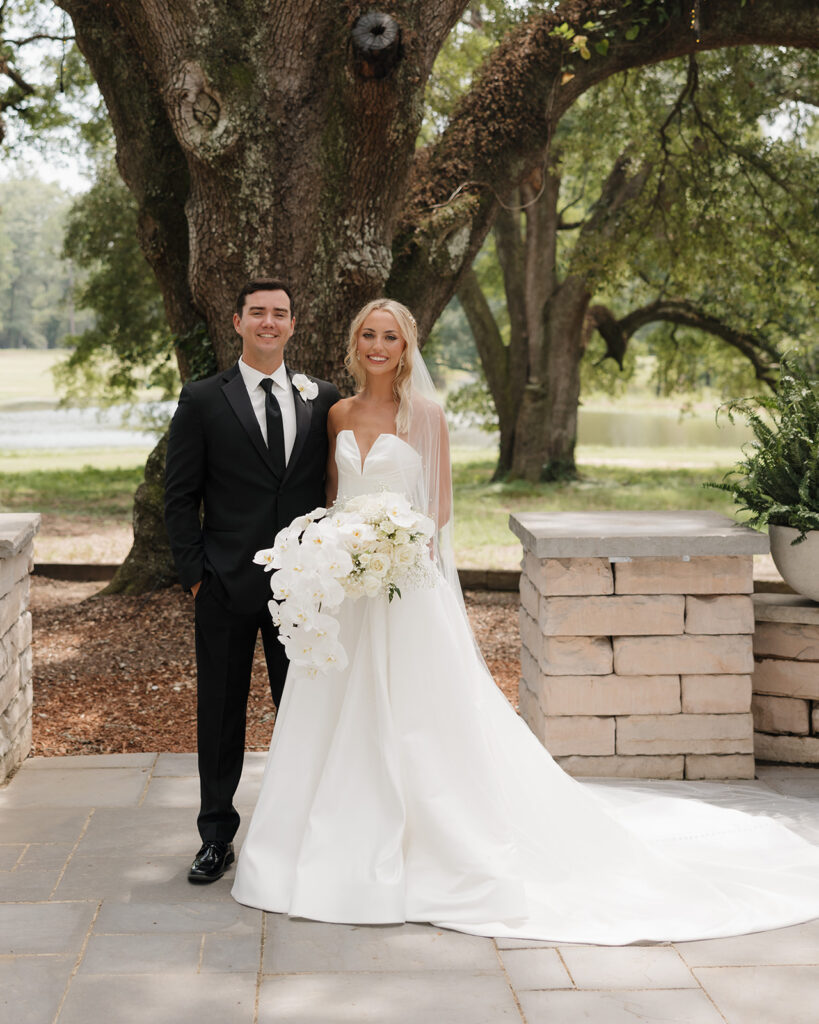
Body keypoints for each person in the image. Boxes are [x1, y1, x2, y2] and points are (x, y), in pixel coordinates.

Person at [231, 298, 819, 943]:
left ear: (407, 346)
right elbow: (331, 499)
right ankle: (325, 842)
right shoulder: (338, 412)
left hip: (405, 586)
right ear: (355, 343)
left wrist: (390, 549)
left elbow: (440, 510)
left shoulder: (425, 415)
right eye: (368, 335)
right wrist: (341, 555)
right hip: (348, 590)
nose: (378, 346)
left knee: (417, 712)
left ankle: (431, 842)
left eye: (390, 337)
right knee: (334, 708)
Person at [164, 279, 340, 883]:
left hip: (305, 592)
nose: (270, 322)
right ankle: (215, 836)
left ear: (294, 324)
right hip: (224, 586)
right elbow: (180, 497)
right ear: (237, 321)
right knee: (220, 715)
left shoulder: (323, 399)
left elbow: (330, 491)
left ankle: (304, 830)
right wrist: (196, 577)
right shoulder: (202, 399)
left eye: (281, 313)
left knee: (305, 711)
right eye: (258, 313)